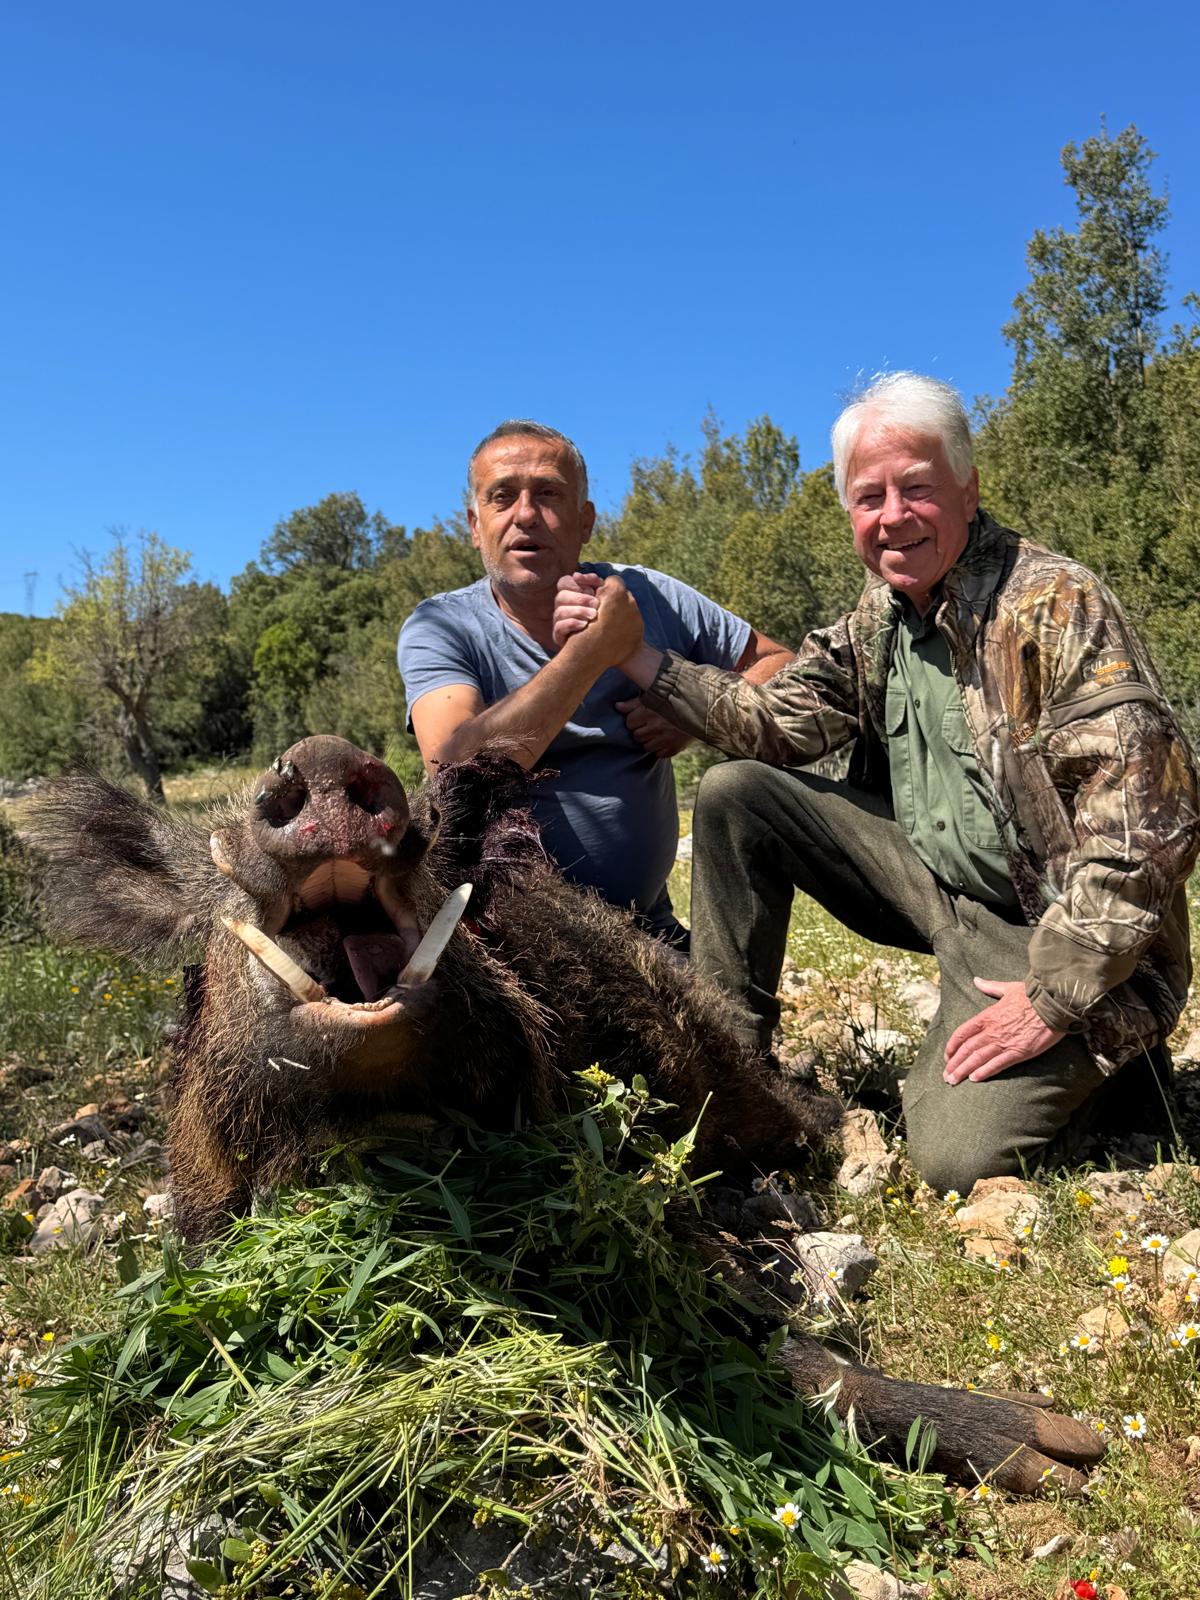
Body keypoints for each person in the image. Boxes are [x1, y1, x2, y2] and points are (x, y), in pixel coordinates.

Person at [552, 373, 1200, 1193]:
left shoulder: (1054, 604)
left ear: (968, 490)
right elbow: (780, 725)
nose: (892, 516)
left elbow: (1149, 826)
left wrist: (1053, 998)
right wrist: (637, 657)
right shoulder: (884, 614)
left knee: (953, 1157)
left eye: (917, 488)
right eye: (869, 497)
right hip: (935, 888)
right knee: (736, 793)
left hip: (1045, 924)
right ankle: (726, 1070)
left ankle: (1117, 1065)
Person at [398, 419, 793, 943]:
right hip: (503, 945)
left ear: (584, 521)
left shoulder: (649, 595)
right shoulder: (441, 626)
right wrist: (593, 653)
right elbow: (453, 769)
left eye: (548, 494)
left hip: (646, 931)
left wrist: (691, 710)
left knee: (726, 1020)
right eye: (502, 497)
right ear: (475, 525)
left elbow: (780, 664)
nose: (525, 515)